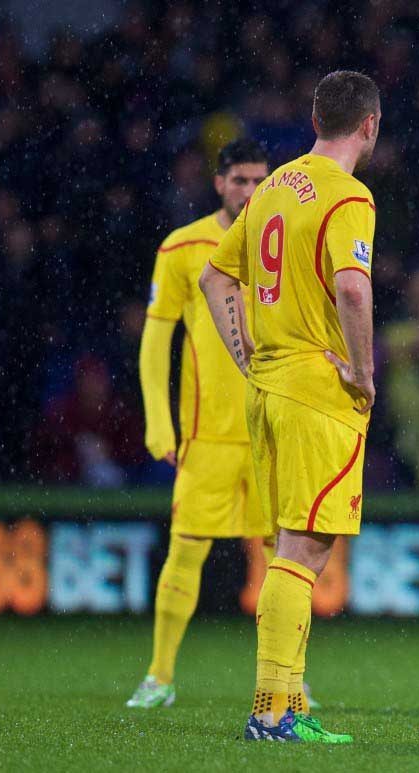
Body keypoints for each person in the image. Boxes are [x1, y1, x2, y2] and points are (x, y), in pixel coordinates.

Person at [199, 70, 379, 744]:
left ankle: (284, 704)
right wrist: (362, 372)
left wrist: (246, 352)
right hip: (314, 389)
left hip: (268, 385)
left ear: (313, 118)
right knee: (303, 549)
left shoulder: (272, 185)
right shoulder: (348, 194)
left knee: (289, 546)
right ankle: (272, 710)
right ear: (369, 125)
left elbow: (217, 275)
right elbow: (354, 291)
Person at [126, 139, 272, 709]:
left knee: (282, 559)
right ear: (219, 183)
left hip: (272, 430)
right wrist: (157, 423)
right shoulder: (183, 247)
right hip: (207, 434)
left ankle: (284, 679)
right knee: (185, 552)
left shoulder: (282, 244)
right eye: (240, 180)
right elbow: (156, 337)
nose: (251, 191)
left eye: (260, 180)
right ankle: (159, 676)